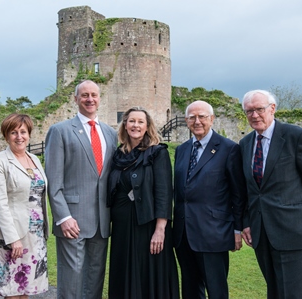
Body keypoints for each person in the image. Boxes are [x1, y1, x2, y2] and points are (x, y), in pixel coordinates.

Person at [239, 90, 302, 299]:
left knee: (293, 294)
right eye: (249, 111)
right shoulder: (245, 144)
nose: (254, 115)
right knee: (275, 290)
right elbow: (246, 189)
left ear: (272, 109)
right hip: (261, 231)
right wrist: (245, 223)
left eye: (259, 109)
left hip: (292, 229)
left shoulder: (295, 136)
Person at [45, 80, 117, 299]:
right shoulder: (60, 131)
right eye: (84, 95)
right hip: (72, 220)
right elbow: (53, 181)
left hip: (102, 221)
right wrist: (63, 217)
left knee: (95, 278)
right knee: (72, 279)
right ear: (75, 99)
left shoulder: (110, 133)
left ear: (99, 98)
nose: (89, 99)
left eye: (94, 95)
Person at [172, 100, 246, 299]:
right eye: (192, 117)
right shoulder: (182, 150)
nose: (197, 121)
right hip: (183, 233)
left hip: (213, 233)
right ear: (186, 120)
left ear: (212, 119)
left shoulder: (229, 148)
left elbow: (238, 194)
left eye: (202, 116)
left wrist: (237, 229)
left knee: (216, 290)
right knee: (190, 289)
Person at [107, 107, 179, 299]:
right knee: (124, 271)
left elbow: (164, 193)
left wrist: (160, 229)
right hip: (122, 225)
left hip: (147, 224)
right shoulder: (118, 155)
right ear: (125, 124)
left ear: (147, 126)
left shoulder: (157, 153)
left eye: (140, 122)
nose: (135, 125)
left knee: (148, 273)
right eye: (131, 121)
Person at [0, 113, 49, 298]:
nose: (19, 136)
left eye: (23, 132)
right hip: (13, 236)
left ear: (29, 134)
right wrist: (13, 239)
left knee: (27, 290)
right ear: (6, 136)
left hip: (35, 235)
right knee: (13, 291)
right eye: (13, 132)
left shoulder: (35, 160)